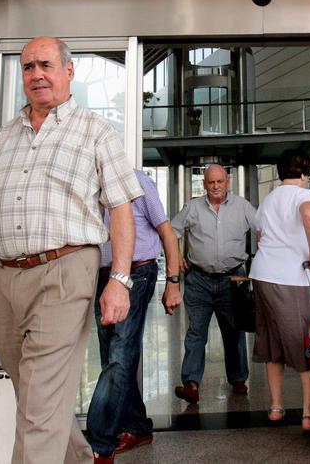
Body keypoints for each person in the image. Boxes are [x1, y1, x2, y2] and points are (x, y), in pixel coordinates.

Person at [0, 36, 144, 464]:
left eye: (45, 65)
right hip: (6, 276)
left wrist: (119, 279)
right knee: (34, 392)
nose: (36, 74)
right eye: (28, 67)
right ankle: (79, 459)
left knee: (40, 398)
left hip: (66, 271)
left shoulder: (95, 131)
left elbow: (121, 209)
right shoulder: (5, 137)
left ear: (68, 71)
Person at [87, 168, 184, 463]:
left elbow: (167, 233)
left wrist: (173, 283)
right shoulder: (88, 183)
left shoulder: (137, 182)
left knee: (119, 355)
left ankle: (100, 443)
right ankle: (138, 426)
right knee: (114, 358)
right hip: (102, 276)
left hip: (138, 272)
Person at [248, 149, 310, 433]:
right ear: (305, 174)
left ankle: (277, 407)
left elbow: (260, 236)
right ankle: (308, 415)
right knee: (306, 343)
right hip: (294, 277)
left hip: (263, 276)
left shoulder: (268, 200)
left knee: (271, 342)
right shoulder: (303, 195)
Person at [169, 164, 257, 403]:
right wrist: (176, 257)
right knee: (196, 333)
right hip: (199, 280)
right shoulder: (193, 207)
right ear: (204, 184)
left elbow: (263, 229)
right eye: (211, 182)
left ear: (227, 181)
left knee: (234, 332)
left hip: (232, 279)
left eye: (219, 182)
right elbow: (171, 232)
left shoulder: (243, 206)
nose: (216, 186)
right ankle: (191, 384)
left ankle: (238, 379)